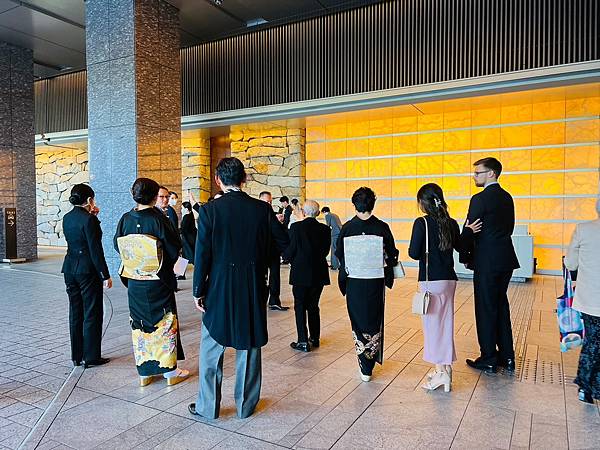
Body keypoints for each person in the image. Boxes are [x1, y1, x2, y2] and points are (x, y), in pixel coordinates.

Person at [189, 157, 289, 420]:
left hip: (218, 287)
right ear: (244, 179)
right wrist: (262, 258)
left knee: (211, 346)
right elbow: (283, 244)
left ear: (217, 180)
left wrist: (198, 290)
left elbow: (202, 254)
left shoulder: (210, 211)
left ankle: (208, 407)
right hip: (252, 286)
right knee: (249, 343)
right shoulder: (262, 209)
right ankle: (245, 405)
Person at [113, 178, 188, 387]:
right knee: (164, 322)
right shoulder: (159, 219)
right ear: (155, 196)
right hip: (158, 280)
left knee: (140, 325)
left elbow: (118, 245)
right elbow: (174, 247)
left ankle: (144, 372)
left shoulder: (126, 218)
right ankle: (169, 371)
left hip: (135, 280)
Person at [408, 183, 481, 392]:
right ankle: (446, 369)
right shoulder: (450, 223)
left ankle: (441, 373)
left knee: (433, 328)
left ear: (423, 203)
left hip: (431, 281)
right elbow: (461, 247)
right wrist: (468, 231)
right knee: (445, 325)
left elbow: (414, 253)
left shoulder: (421, 223)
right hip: (449, 281)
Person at [461, 157, 520, 374]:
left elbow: (470, 229)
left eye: (478, 173)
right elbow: (509, 228)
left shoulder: (479, 199)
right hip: (505, 259)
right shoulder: (507, 197)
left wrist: (464, 253)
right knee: (501, 306)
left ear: (491, 173)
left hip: (486, 261)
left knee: (486, 308)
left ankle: (488, 357)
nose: (474, 176)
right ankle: (507, 356)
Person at [335, 187, 399, 382]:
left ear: (354, 204)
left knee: (358, 320)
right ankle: (369, 362)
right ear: (373, 204)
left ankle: (364, 365)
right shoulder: (381, 227)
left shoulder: (347, 228)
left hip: (354, 282)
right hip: (375, 282)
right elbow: (393, 253)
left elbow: (339, 253)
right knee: (373, 318)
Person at [61, 184, 112, 368]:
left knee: (75, 312)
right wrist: (105, 275)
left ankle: (77, 355)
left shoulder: (67, 218)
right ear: (90, 200)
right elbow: (95, 250)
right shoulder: (89, 220)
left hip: (69, 269)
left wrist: (93, 217)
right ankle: (91, 357)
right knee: (92, 312)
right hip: (87, 272)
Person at [564, 199, 600, 404]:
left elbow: (570, 263)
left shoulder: (583, 229)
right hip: (591, 299)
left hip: (590, 298)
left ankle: (586, 387)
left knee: (593, 341)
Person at [285, 200, 330, 352]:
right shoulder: (325, 229)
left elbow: (291, 250)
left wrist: (287, 257)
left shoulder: (296, 227)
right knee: (313, 305)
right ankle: (315, 338)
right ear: (317, 213)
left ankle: (303, 340)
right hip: (319, 272)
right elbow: (325, 251)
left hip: (300, 272)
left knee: (300, 305)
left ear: (303, 212)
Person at [259, 191, 289, 311]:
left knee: (275, 276)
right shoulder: (256, 213)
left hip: (273, 250)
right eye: (267, 201)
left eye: (270, 202)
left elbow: (277, 231)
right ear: (260, 200)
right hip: (261, 250)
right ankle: (261, 299)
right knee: (262, 276)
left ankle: (274, 300)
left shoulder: (271, 213)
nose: (269, 204)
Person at [180, 201, 197, 276]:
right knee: (185, 257)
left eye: (182, 208)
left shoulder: (186, 217)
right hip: (191, 238)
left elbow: (183, 229)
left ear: (186, 209)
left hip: (187, 239)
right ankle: (180, 274)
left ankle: (181, 274)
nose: (181, 210)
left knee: (189, 257)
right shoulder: (191, 214)